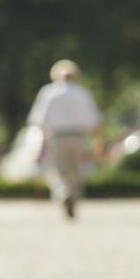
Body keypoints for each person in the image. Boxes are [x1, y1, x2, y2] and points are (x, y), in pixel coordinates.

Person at [26, 60, 103, 218]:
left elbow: (40, 122)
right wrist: (98, 143)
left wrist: (41, 146)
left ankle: (64, 193)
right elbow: (94, 122)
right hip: (77, 137)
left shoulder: (48, 93)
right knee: (75, 171)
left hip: (57, 137)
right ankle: (73, 196)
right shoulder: (82, 93)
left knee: (58, 170)